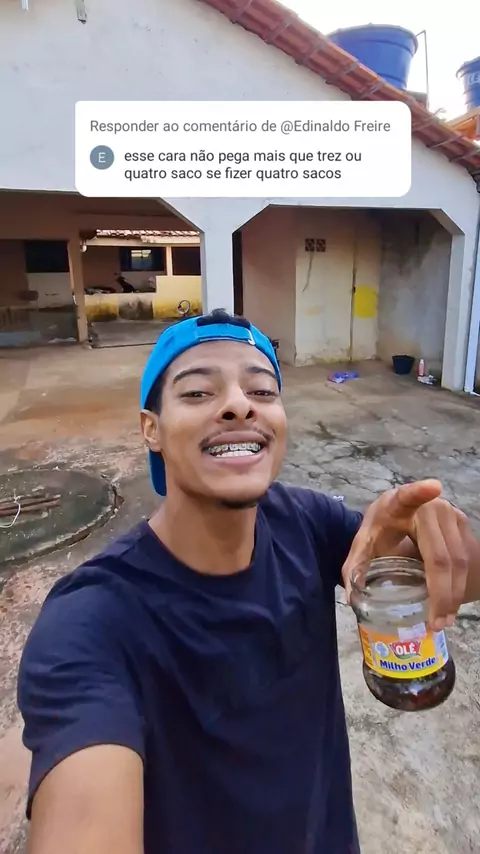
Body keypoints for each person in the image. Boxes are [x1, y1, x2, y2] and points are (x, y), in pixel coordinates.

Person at [18, 309, 480, 854]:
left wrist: (441, 532)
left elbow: (455, 580)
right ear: (151, 428)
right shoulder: (90, 624)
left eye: (262, 391)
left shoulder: (307, 522)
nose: (240, 405)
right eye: (197, 393)